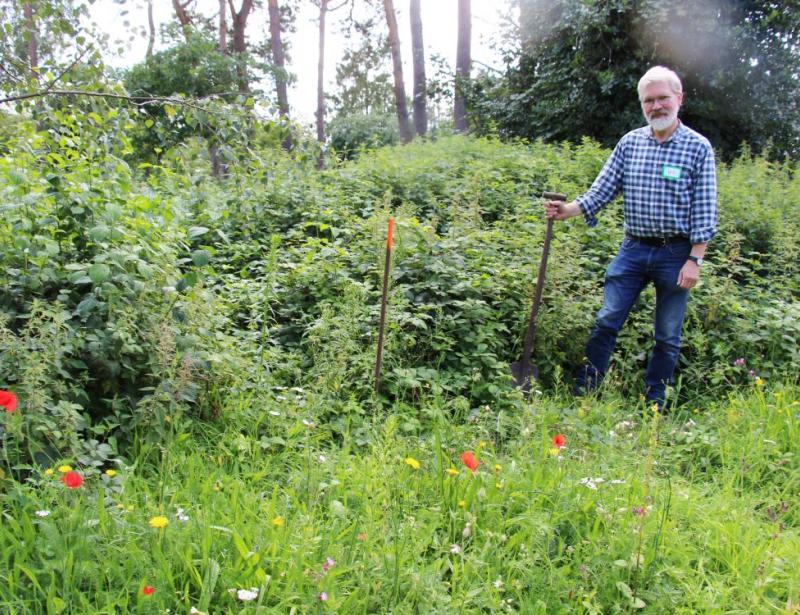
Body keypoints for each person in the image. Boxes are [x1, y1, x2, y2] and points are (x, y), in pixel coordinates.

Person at [544, 66, 717, 411]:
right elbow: (602, 190)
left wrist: (695, 259)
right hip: (633, 249)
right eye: (648, 101)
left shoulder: (698, 148)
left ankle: (656, 403)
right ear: (642, 104)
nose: (656, 107)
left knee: (667, 335)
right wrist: (568, 210)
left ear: (678, 98)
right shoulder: (630, 143)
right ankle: (586, 393)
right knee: (607, 319)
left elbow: (705, 209)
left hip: (677, 253)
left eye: (662, 98)